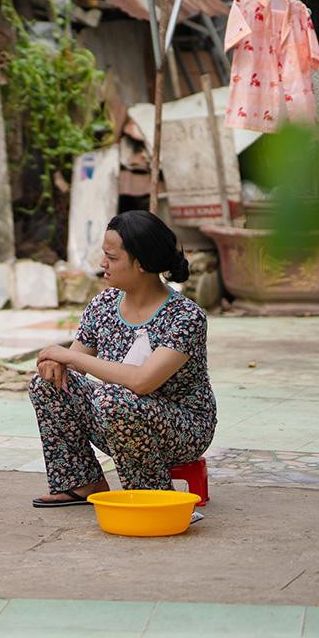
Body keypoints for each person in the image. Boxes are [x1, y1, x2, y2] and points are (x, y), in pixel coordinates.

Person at [28, 210, 216, 507]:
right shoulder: (103, 304)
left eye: (112, 257)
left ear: (140, 263)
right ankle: (82, 482)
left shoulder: (185, 316)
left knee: (115, 398)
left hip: (182, 429)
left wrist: (63, 354)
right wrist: (57, 363)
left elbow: (142, 382)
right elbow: (74, 365)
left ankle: (152, 496)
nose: (103, 264)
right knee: (47, 383)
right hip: (115, 416)